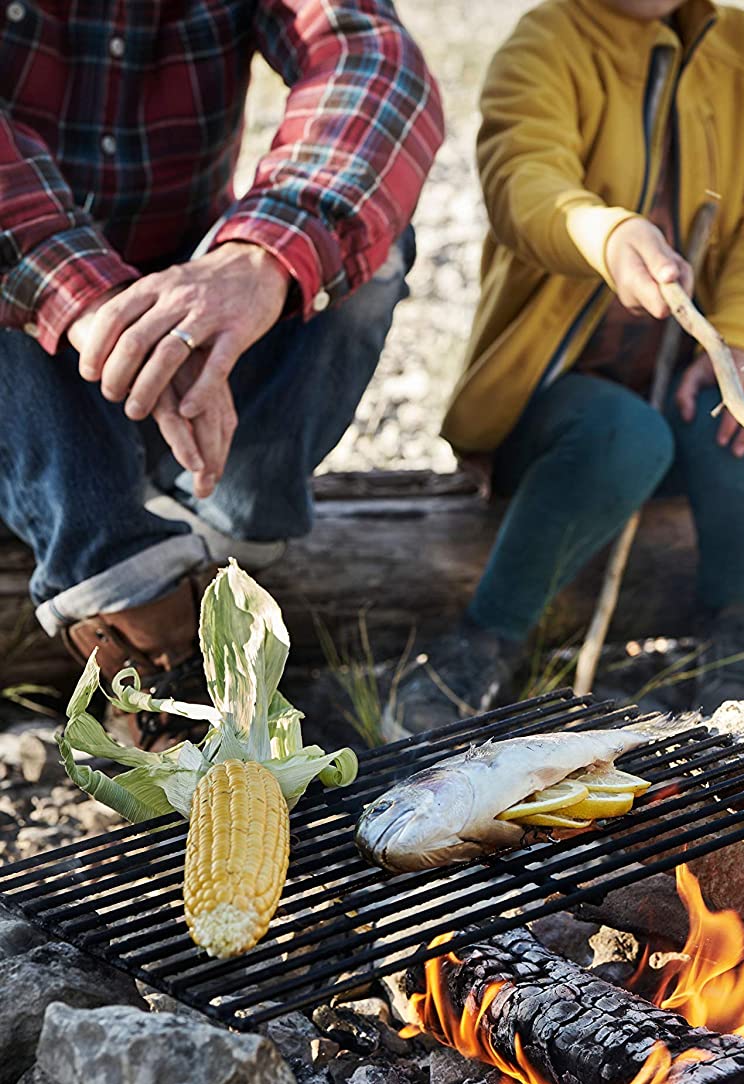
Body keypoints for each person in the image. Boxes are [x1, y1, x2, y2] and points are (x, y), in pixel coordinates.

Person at [1, 0, 443, 745]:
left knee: (365, 240)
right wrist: (83, 297)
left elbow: (370, 57)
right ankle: (134, 605)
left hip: (199, 354)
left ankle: (222, 531)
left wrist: (261, 258)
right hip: (29, 358)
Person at [391, 0, 744, 735]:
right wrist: (602, 234)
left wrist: (741, 340)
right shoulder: (547, 39)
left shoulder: (736, 43)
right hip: (553, 403)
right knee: (624, 435)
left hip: (682, 374)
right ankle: (484, 641)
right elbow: (523, 178)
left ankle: (740, 639)